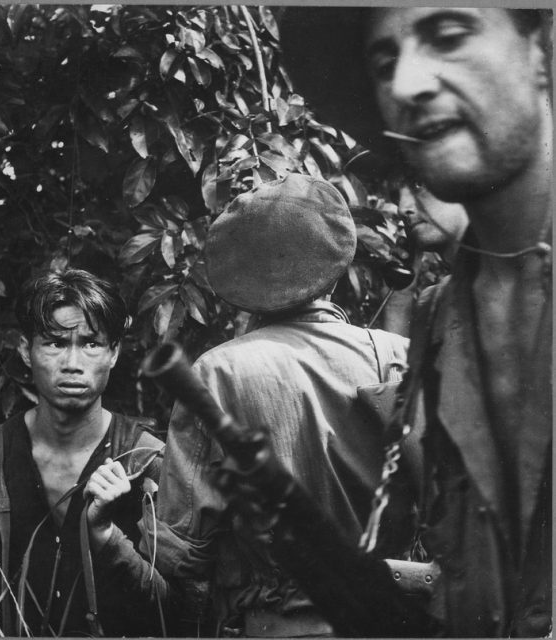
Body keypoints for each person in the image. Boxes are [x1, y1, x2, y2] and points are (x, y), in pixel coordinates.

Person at [282, 7, 552, 637]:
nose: (405, 84)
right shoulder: (438, 318)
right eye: (384, 64)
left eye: (448, 36)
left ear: (542, 44)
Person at [141, 173, 410, 636]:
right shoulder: (398, 355)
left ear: (242, 282)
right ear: (336, 264)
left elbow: (181, 553)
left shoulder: (218, 372)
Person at [0, 269, 170, 636]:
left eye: (91, 344)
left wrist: (106, 536)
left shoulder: (148, 462)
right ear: (25, 350)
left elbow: (175, 611)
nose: (72, 363)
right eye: (55, 343)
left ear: (113, 353)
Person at [382, 178, 468, 336]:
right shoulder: (432, 303)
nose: (401, 209)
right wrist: (399, 300)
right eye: (396, 196)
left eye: (418, 185)